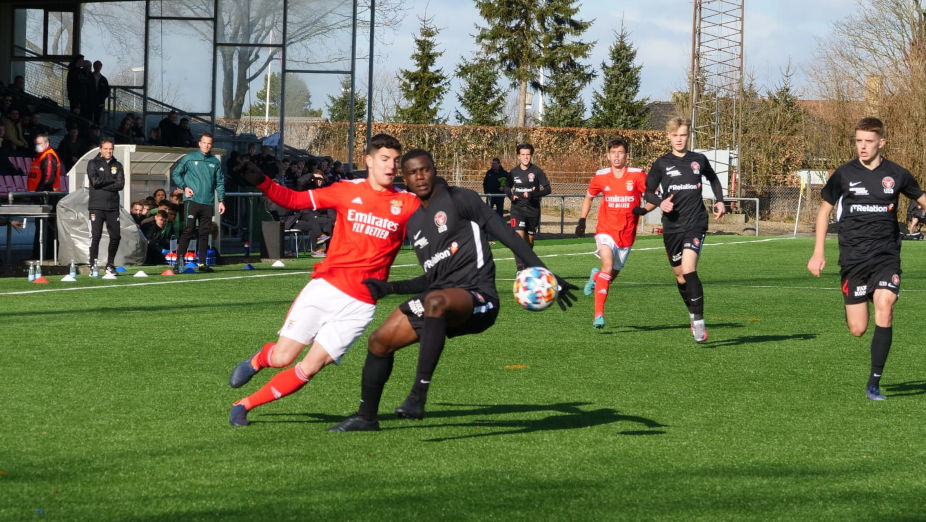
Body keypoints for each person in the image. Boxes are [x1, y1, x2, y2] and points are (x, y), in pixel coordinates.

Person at [329, 149, 578, 431]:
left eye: (424, 169)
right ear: (406, 180)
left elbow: (506, 234)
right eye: (412, 173)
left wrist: (547, 273)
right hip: (441, 299)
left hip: (478, 297)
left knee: (435, 301)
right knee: (379, 341)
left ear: (434, 170)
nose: (420, 176)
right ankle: (366, 418)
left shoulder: (461, 199)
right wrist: (391, 287)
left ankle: (418, 395)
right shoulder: (415, 223)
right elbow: (431, 279)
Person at [226, 133, 420, 427]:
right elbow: (293, 200)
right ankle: (258, 361)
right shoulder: (345, 190)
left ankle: (244, 405)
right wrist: (262, 181)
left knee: (311, 366)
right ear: (369, 161)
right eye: (384, 159)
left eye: (396, 160)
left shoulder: (408, 203)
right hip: (326, 289)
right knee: (282, 358)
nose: (391, 166)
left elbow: (440, 219)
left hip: (361, 305)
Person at [807, 117, 926, 401]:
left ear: (881, 143)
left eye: (868, 141)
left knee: (885, 306)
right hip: (854, 260)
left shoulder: (897, 174)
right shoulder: (843, 174)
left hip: (886, 256)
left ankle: (874, 383)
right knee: (858, 329)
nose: (862, 146)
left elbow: (922, 198)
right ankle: (868, 293)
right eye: (858, 141)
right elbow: (824, 212)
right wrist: (818, 251)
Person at [644, 117, 725, 343]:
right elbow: (648, 192)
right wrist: (660, 202)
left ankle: (699, 322)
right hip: (672, 227)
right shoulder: (661, 163)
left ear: (688, 136)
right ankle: (692, 314)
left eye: (683, 135)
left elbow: (713, 178)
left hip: (696, 222)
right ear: (669, 137)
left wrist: (719, 200)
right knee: (680, 277)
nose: (679, 139)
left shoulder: (698, 160)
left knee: (689, 270)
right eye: (675, 135)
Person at [575, 137, 654, 329]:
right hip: (606, 230)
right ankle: (598, 315)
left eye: (620, 152)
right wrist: (582, 220)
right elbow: (589, 197)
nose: (616, 156)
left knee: (610, 275)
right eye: (613, 153)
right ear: (608, 155)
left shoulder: (637, 175)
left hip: (627, 234)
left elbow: (654, 197)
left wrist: (644, 210)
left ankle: (596, 277)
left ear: (627, 156)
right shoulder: (601, 176)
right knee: (608, 266)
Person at [171, 133, 225, 272]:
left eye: (209, 143)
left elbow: (219, 182)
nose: (207, 145)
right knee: (188, 230)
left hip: (208, 202)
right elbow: (176, 173)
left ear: (211, 145)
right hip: (192, 201)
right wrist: (184, 187)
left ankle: (202, 264)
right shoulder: (189, 158)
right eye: (204, 142)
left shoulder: (215, 161)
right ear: (199, 143)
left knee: (204, 233)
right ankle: (179, 262)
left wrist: (221, 200)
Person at [506, 143, 551, 271]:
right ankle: (520, 269)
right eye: (523, 155)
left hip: (533, 210)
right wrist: (511, 195)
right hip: (517, 210)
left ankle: (527, 261)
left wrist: (532, 194)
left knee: (529, 241)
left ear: (531, 155)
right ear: (518, 156)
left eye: (528, 154)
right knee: (518, 239)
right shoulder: (513, 172)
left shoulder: (537, 171)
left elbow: (548, 189)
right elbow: (506, 187)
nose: (526, 157)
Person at [87, 139, 124, 275]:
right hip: (96, 206)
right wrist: (111, 181)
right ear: (100, 149)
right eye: (106, 148)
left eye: (111, 149)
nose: (109, 151)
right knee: (96, 236)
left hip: (113, 206)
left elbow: (120, 185)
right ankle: (93, 265)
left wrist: (104, 183)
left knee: (116, 236)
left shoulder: (118, 165)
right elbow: (95, 182)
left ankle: (110, 264)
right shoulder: (93, 163)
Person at [89, 60, 110, 126]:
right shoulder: (89, 76)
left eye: (99, 66)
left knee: (97, 119)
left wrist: (101, 99)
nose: (97, 67)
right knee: (88, 118)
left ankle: (96, 133)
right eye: (96, 65)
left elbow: (107, 91)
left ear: (101, 67)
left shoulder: (104, 79)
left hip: (99, 103)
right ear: (93, 66)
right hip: (89, 101)